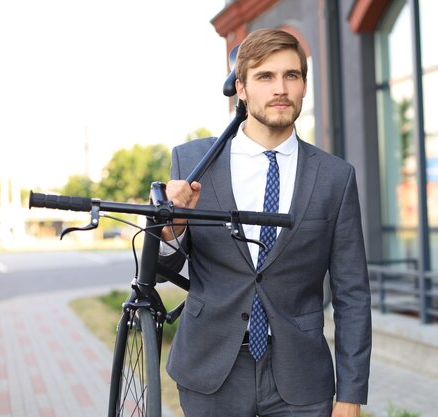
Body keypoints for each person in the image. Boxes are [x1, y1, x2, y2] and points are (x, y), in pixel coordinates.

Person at [158, 28, 371, 417]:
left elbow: (352, 294)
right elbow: (157, 270)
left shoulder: (335, 177)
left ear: (305, 86)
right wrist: (174, 225)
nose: (280, 88)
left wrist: (351, 394)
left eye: (291, 75)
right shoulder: (193, 162)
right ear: (241, 88)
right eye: (264, 76)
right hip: (211, 369)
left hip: (301, 376)